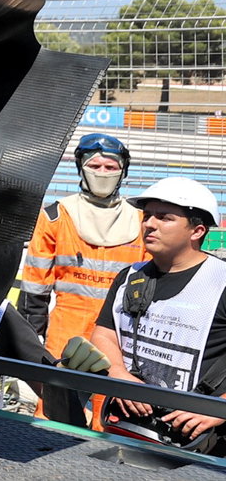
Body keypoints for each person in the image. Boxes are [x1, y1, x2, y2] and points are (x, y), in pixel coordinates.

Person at [88, 176, 226, 450]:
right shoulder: (129, 277)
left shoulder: (221, 280)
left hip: (200, 445)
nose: (149, 224)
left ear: (197, 231)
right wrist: (119, 374)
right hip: (126, 429)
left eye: (164, 218)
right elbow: (104, 334)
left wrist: (219, 408)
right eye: (147, 215)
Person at [19, 133, 147, 361]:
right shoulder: (55, 216)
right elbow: (35, 284)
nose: (102, 172)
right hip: (67, 329)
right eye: (94, 165)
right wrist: (31, 334)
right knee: (57, 394)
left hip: (120, 332)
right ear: (81, 168)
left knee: (112, 396)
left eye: (110, 167)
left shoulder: (141, 220)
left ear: (123, 172)